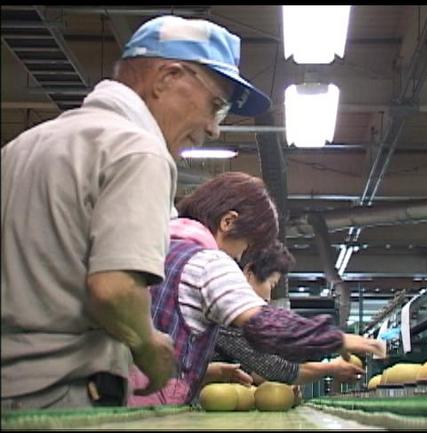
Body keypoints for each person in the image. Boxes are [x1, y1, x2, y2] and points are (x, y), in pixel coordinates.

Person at [1, 15, 272, 410]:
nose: (214, 128)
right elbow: (114, 291)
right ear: (167, 78)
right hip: (61, 399)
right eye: (216, 106)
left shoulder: (22, 147)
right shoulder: (139, 152)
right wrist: (148, 345)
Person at [127, 172, 386, 407]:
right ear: (228, 222)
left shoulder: (155, 247)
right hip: (153, 410)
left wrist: (207, 372)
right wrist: (337, 339)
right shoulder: (208, 263)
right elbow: (266, 324)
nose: (241, 255)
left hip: (114, 402)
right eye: (247, 244)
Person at [209, 241, 366, 388]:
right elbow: (275, 368)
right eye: (272, 285)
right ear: (249, 273)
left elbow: (254, 371)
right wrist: (331, 368)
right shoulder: (226, 309)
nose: (268, 298)